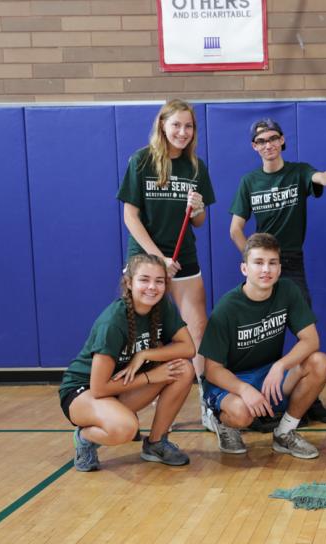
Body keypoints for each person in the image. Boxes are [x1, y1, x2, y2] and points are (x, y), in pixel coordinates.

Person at [229, 118, 326, 426]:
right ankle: (258, 399)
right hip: (263, 267)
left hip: (291, 262)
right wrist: (255, 263)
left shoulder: (297, 172)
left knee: (304, 333)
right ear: (254, 147)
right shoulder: (249, 182)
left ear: (282, 141)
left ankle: (310, 399)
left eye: (273, 139)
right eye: (261, 141)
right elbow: (235, 229)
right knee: (262, 335)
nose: (268, 145)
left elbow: (320, 176)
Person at [118, 98, 216, 429]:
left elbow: (199, 222)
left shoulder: (196, 168)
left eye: (188, 126)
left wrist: (199, 206)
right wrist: (157, 259)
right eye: (176, 125)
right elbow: (130, 216)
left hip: (184, 258)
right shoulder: (142, 161)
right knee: (143, 336)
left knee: (198, 331)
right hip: (146, 259)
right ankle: (126, 408)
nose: (182, 132)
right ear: (163, 125)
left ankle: (208, 403)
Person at [199, 233, 326, 460]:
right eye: (258, 263)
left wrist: (280, 366)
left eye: (272, 263)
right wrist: (244, 389)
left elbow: (311, 340)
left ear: (279, 269)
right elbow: (211, 370)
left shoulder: (287, 291)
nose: (266, 270)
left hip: (267, 373)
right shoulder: (227, 308)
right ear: (244, 269)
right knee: (241, 414)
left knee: (320, 362)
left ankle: (284, 432)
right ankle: (222, 422)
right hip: (230, 381)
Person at [58, 254, 196, 472]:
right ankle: (85, 437)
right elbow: (99, 388)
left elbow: (188, 348)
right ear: (129, 283)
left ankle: (156, 443)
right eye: (144, 280)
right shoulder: (112, 322)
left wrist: (144, 355)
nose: (152, 287)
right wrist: (151, 376)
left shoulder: (163, 308)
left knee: (183, 370)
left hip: (120, 385)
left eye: (159, 281)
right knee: (125, 428)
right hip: (83, 391)